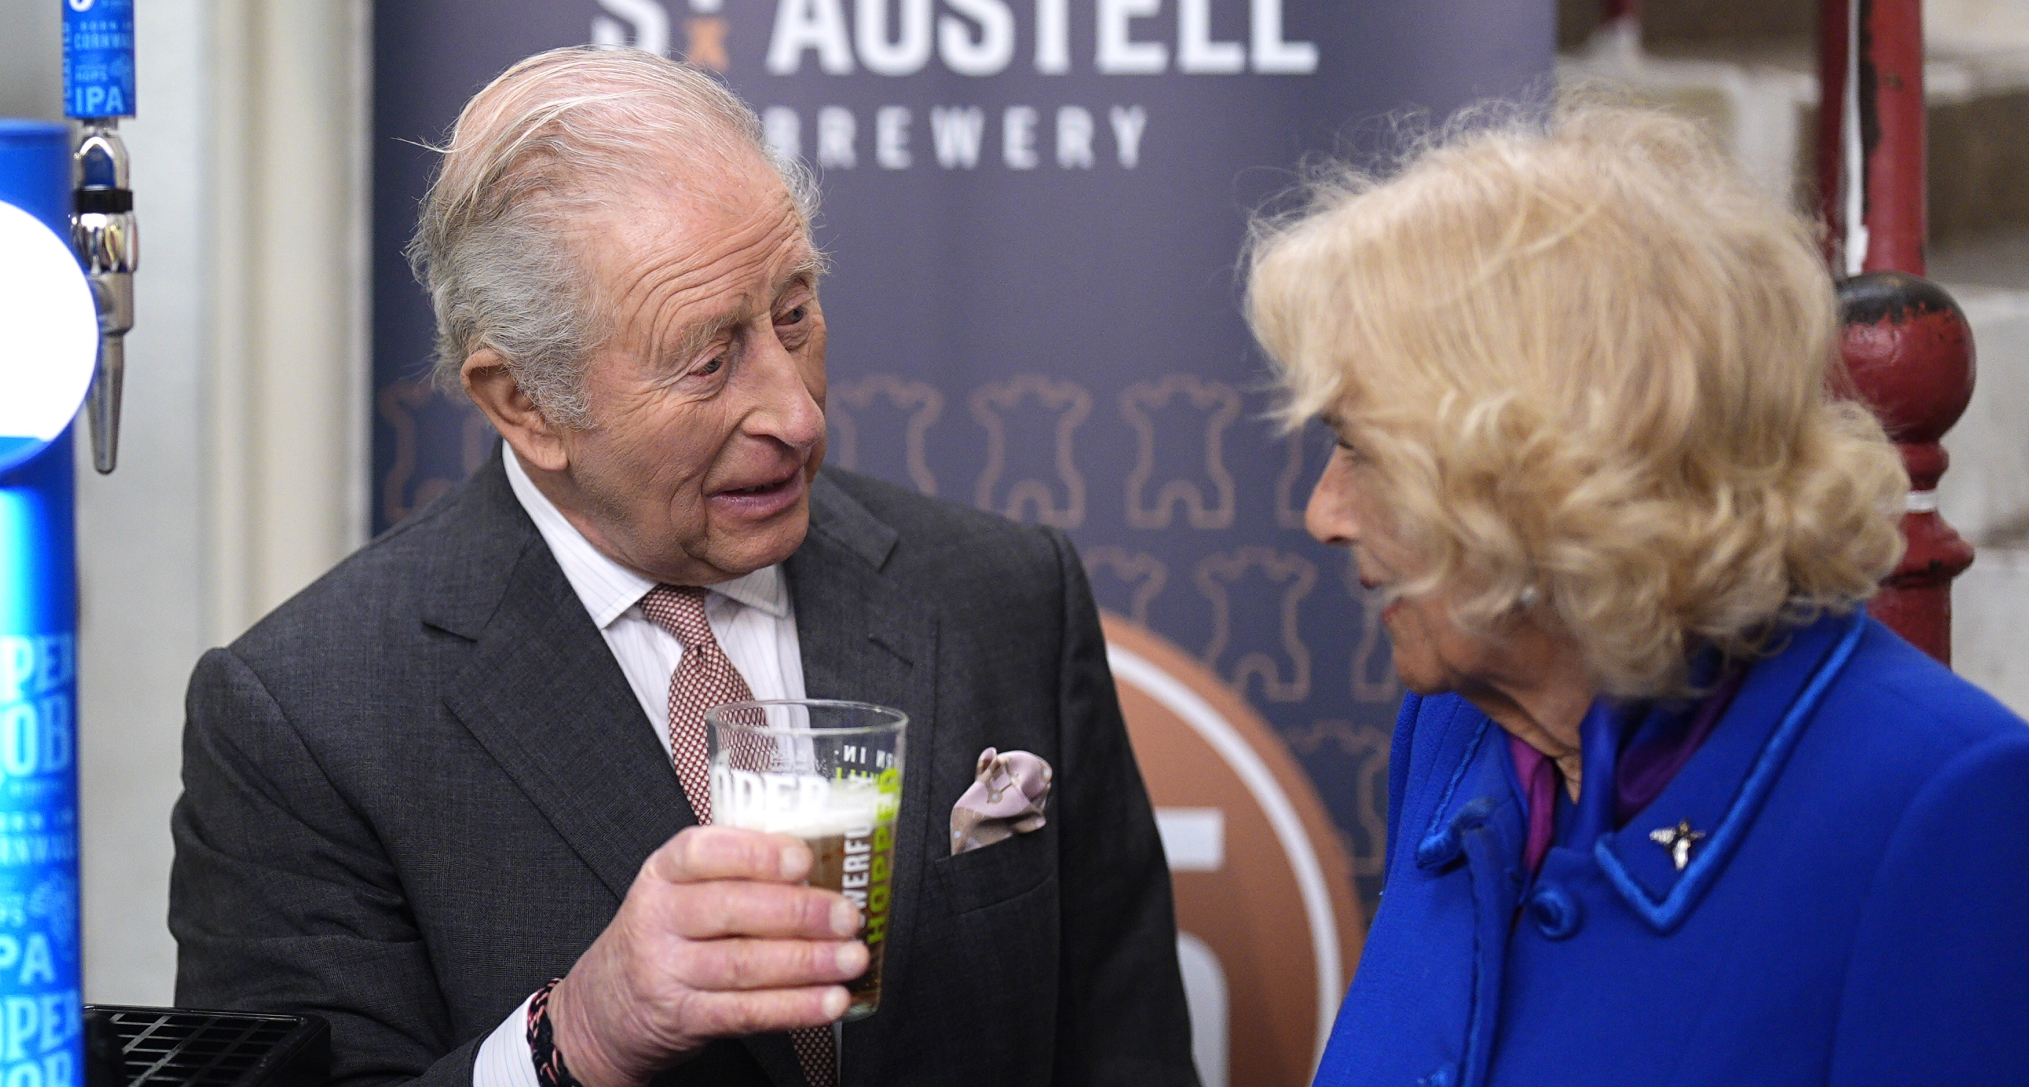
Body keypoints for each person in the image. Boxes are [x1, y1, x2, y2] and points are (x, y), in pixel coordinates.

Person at [170, 47, 1195, 1087]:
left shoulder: (1004, 593)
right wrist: (576, 1034)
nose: (796, 413)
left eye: (793, 315)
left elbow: (1128, 1047)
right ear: (523, 401)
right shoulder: (306, 717)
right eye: (707, 361)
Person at [1246, 103, 2029, 1087]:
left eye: (1363, 450)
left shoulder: (1943, 808)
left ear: (1556, 469)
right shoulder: (1455, 725)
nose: (1324, 513)